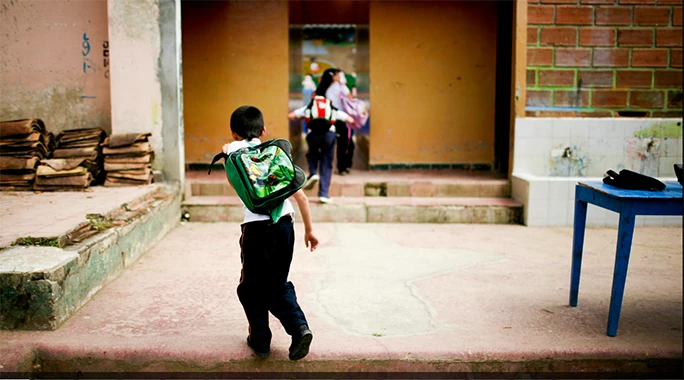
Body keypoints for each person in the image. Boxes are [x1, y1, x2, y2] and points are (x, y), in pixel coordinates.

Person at [221, 105, 320, 361]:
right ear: (264, 131)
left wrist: (228, 151)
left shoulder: (233, 154)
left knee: (250, 288)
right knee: (277, 283)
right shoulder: (275, 156)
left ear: (233, 133)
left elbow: (232, 171)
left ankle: (261, 341)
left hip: (255, 229)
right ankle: (299, 329)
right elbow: (302, 197)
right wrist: (310, 231)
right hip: (285, 225)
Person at [288, 96, 353, 204]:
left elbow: (290, 116)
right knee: (326, 163)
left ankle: (313, 172)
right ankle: (324, 194)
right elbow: (350, 119)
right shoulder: (332, 108)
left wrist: (303, 117)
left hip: (313, 135)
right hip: (329, 136)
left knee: (311, 154)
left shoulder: (308, 107)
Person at [318, 68, 354, 176]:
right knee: (345, 143)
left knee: (329, 144)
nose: (339, 77)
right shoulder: (341, 87)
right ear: (333, 76)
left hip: (327, 120)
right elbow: (351, 98)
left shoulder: (323, 90)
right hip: (340, 118)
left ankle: (327, 167)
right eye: (338, 75)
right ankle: (343, 167)